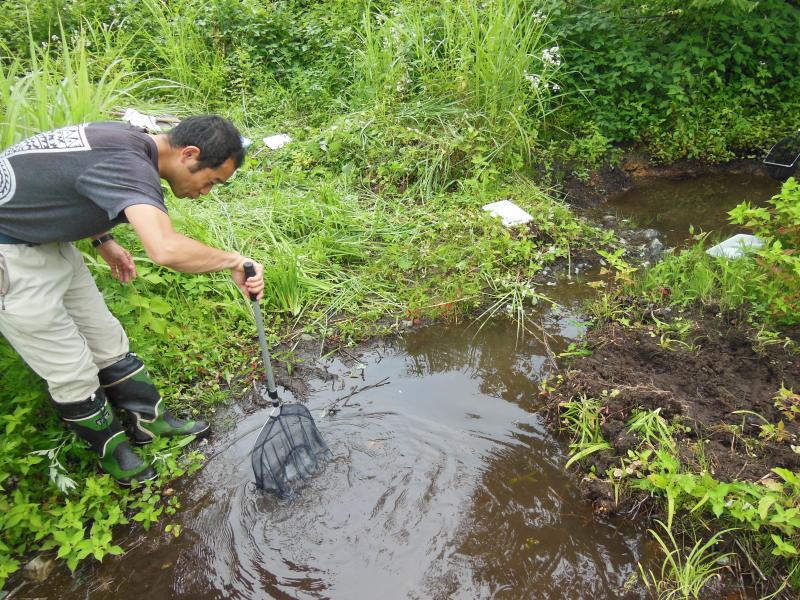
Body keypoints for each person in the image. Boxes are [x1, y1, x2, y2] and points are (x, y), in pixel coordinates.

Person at [0, 115, 264, 486]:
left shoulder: (127, 139)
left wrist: (101, 239)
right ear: (189, 154)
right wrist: (235, 261)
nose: (206, 191)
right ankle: (115, 454)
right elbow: (165, 248)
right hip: (10, 256)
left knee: (107, 340)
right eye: (211, 181)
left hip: (46, 238)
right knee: (69, 368)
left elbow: (65, 178)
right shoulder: (130, 164)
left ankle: (149, 422)